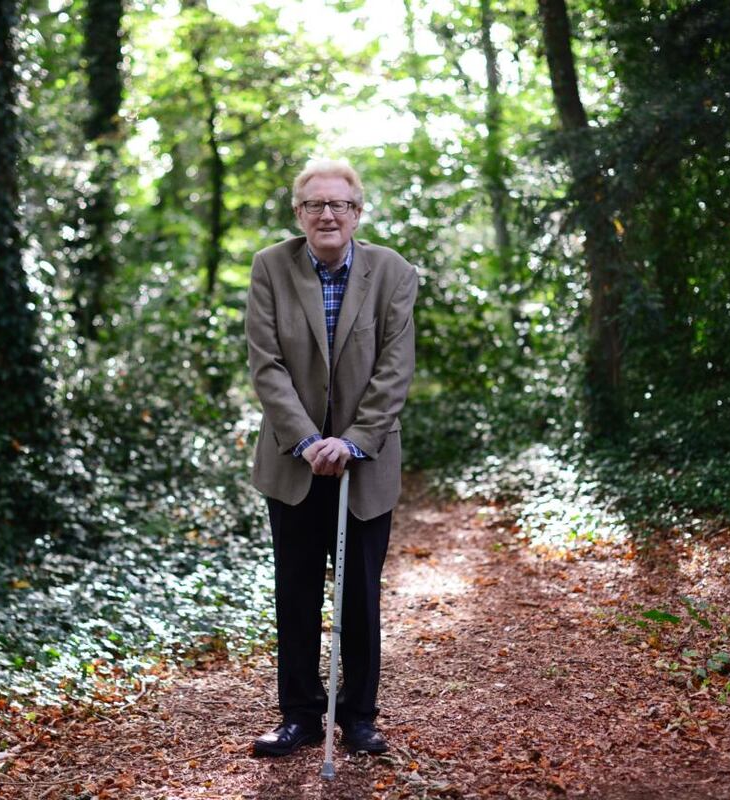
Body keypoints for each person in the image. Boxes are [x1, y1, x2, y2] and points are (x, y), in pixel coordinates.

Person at [245, 159, 417, 757]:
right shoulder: (271, 266)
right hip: (293, 463)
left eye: (338, 205)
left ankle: (359, 716)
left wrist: (353, 440)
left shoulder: (393, 272)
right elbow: (265, 364)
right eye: (314, 205)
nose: (326, 214)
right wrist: (305, 439)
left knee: (360, 595)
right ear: (298, 214)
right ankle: (298, 714)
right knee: (294, 593)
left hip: (364, 465)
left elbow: (396, 369)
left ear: (357, 212)